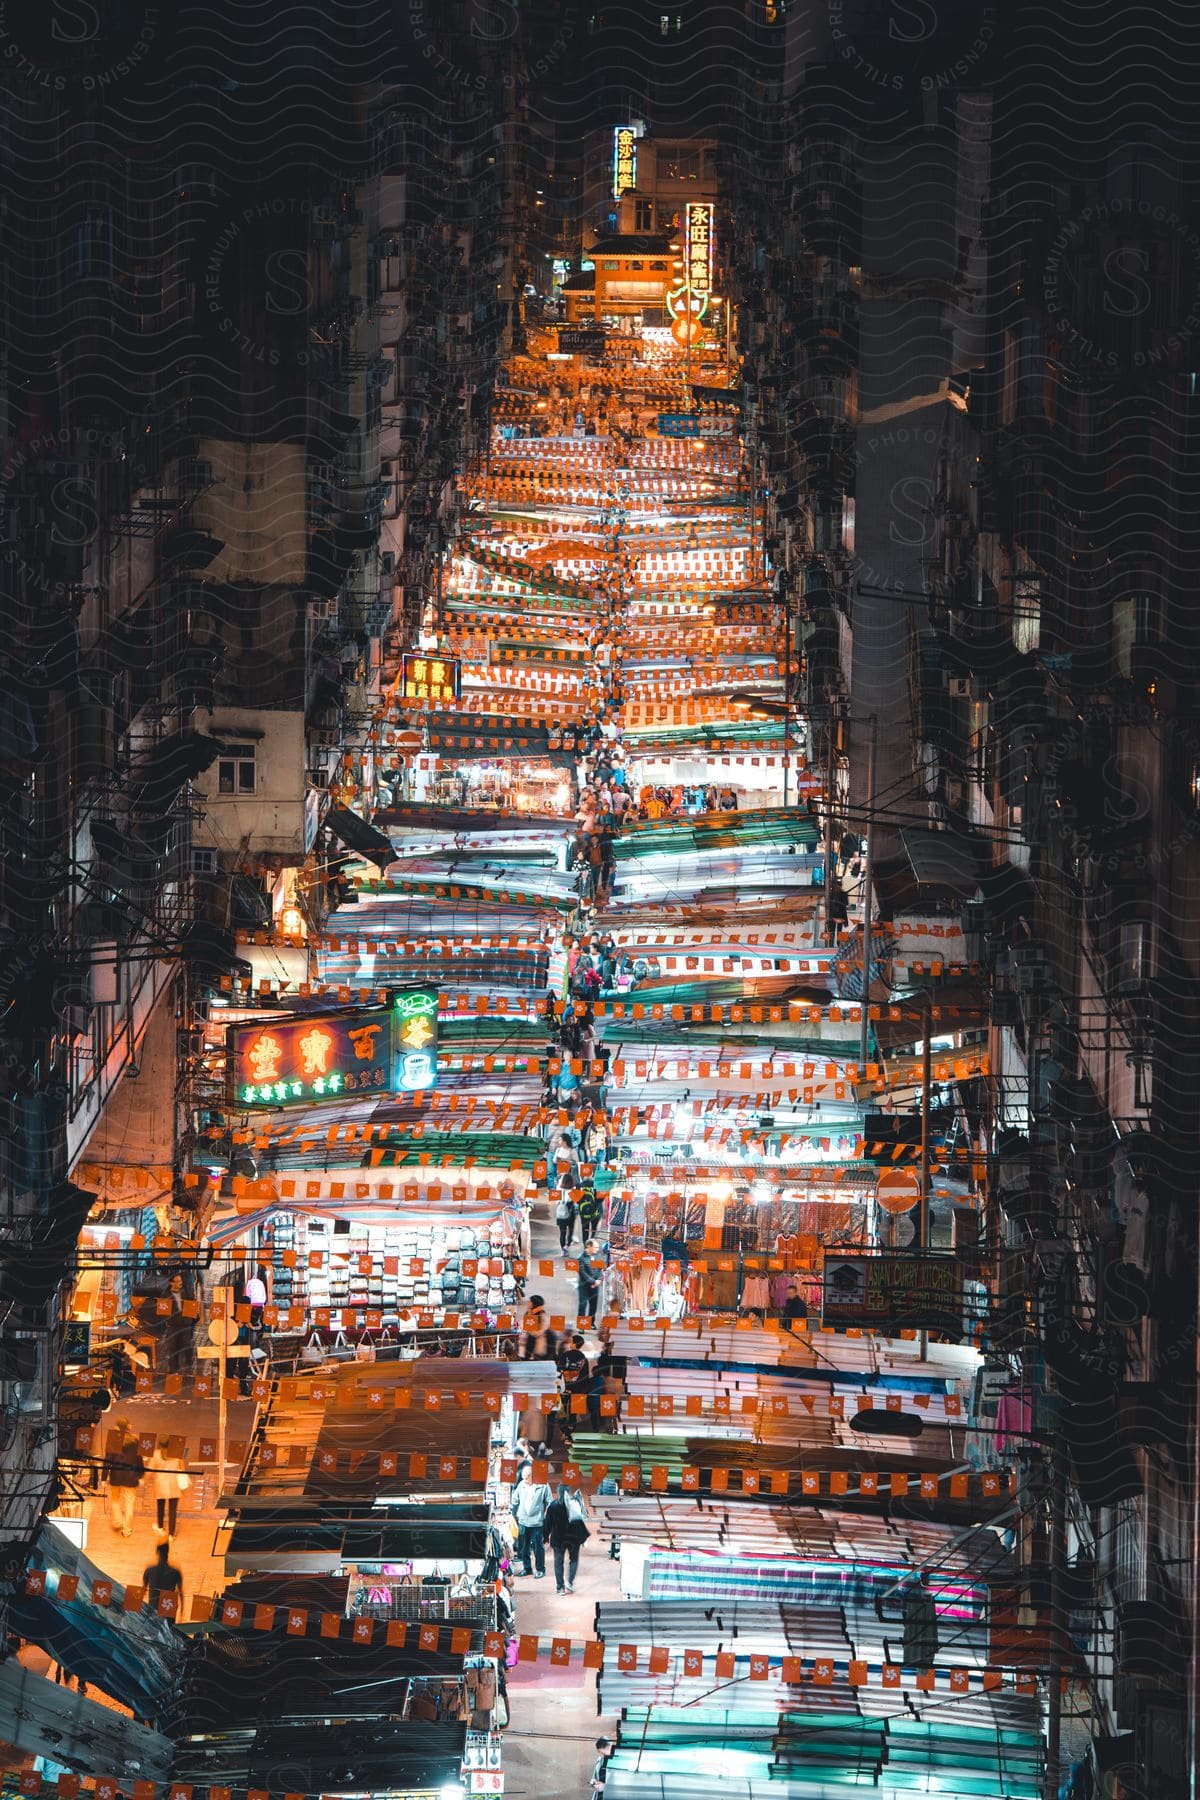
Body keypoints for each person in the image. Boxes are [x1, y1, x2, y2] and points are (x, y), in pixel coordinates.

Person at [544, 1482, 590, 1595]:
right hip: (574, 1538)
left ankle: (560, 1587)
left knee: (558, 1562)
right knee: (574, 1560)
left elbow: (547, 1524)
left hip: (558, 1539)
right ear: (568, 1492)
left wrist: (545, 1536)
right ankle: (570, 1582)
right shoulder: (575, 1503)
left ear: (558, 1492)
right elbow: (582, 1518)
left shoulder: (553, 1506)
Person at [145, 1437, 190, 1538]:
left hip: (160, 1484)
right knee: (172, 1510)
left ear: (160, 1445)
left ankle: (160, 1527)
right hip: (173, 1484)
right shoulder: (177, 1453)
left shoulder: (156, 1454)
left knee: (160, 1506)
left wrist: (144, 1480)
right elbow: (182, 1468)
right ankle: (171, 1535)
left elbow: (149, 1469)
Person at [108, 1418, 144, 1537]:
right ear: (129, 1427)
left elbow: (107, 1460)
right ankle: (127, 1529)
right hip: (130, 1477)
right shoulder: (135, 1441)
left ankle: (118, 1521)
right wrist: (141, 1475)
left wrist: (103, 1477)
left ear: (117, 1428)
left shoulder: (113, 1439)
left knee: (115, 1500)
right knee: (129, 1503)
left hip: (116, 1475)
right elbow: (139, 1460)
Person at [512, 1465, 549, 1579]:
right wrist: (516, 1514)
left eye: (527, 1478)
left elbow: (549, 1502)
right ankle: (527, 1568)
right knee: (524, 1546)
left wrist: (545, 1517)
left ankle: (540, 1569)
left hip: (537, 1522)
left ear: (533, 1475)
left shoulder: (543, 1485)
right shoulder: (522, 1485)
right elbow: (515, 1499)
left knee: (538, 1547)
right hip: (523, 1521)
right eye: (524, 1478)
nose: (525, 1481)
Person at [901, 1572, 940, 1669]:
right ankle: (917, 1574)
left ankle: (916, 1573)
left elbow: (934, 1640)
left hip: (916, 1611)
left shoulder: (910, 1658)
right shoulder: (909, 1659)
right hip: (915, 1611)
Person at [143, 1540, 184, 1616]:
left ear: (157, 1553)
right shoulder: (175, 1572)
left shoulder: (150, 1571)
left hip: (155, 1607)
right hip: (167, 1608)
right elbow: (181, 1592)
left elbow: (143, 1590)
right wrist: (182, 1608)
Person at [577, 1251, 601, 1327]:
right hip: (584, 1286)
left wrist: (599, 1280)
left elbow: (600, 1270)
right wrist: (594, 1281)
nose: (597, 1249)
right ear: (589, 1247)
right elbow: (582, 1273)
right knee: (582, 1305)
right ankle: (582, 1325)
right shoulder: (581, 1258)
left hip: (595, 1286)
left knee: (593, 1305)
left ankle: (591, 1323)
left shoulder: (597, 1256)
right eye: (595, 1247)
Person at [522, 1295, 548, 1361]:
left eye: (530, 1302)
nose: (528, 1303)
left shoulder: (541, 1313)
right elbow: (525, 1326)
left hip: (537, 1343)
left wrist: (532, 1332)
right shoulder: (529, 1313)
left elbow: (543, 1329)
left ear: (534, 1303)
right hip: (528, 1341)